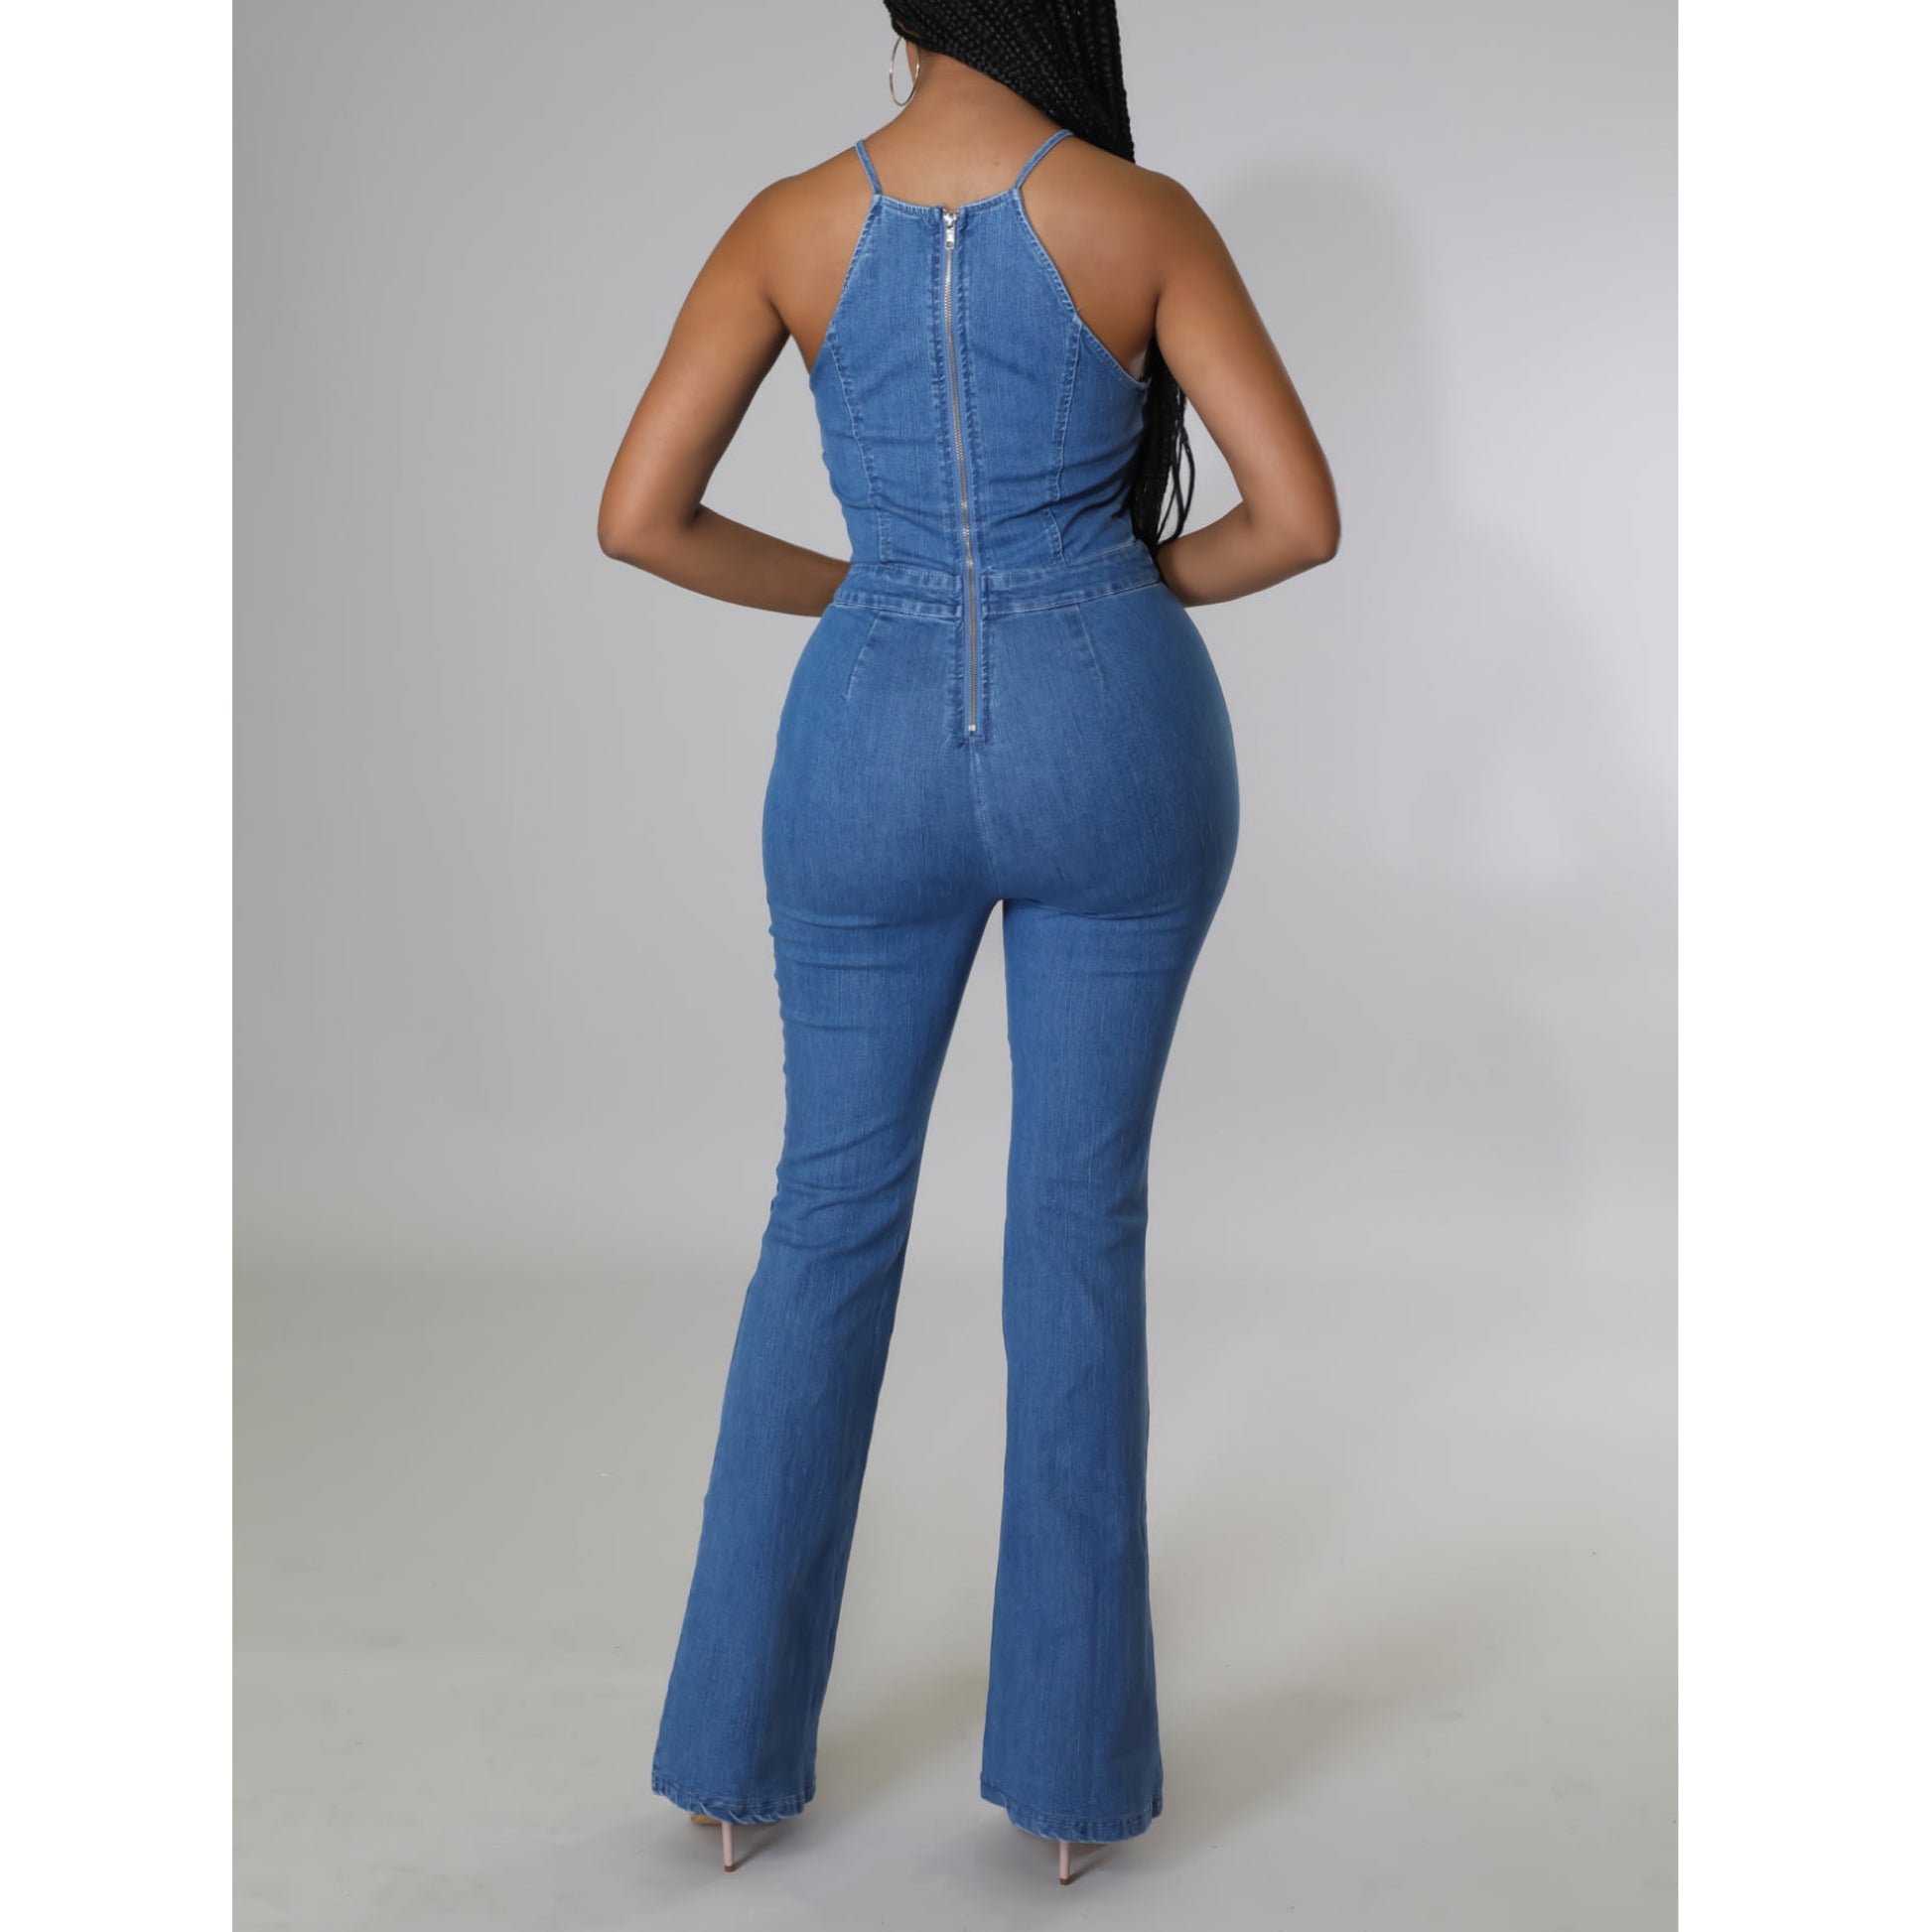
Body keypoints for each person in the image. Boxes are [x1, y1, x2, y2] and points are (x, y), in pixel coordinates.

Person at [597, 1, 1339, 1885]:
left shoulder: (784, 222)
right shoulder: (1139, 215)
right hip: (1119, 745)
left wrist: (872, 596)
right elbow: (1295, 520)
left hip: (861, 746)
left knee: (825, 1215)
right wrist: (1106, 587)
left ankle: (730, 1764)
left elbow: (640, 519)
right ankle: (1075, 1787)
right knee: (1077, 1222)